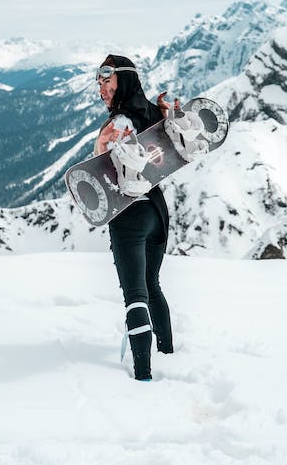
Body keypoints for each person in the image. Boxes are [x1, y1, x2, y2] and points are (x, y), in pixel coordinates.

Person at [94, 54, 178, 382]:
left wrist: (103, 142)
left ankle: (143, 374)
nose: (100, 88)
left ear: (123, 80)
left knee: (135, 295)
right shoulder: (153, 113)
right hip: (157, 211)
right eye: (98, 81)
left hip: (129, 214)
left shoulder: (119, 124)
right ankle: (169, 352)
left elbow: (102, 172)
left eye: (106, 80)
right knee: (152, 285)